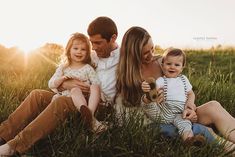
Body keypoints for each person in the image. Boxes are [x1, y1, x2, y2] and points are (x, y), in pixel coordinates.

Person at [0, 16, 119, 156]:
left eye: (98, 43)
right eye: (91, 43)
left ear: (113, 38)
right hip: (70, 95)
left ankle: (14, 146)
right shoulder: (89, 54)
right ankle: (3, 134)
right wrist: (65, 84)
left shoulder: (125, 61)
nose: (93, 47)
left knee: (61, 102)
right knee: (36, 94)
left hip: (97, 105)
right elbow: (61, 78)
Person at [115, 26, 235, 150]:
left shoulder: (162, 62)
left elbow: (183, 90)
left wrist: (190, 107)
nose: (151, 55)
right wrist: (150, 99)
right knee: (200, 130)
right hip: (159, 120)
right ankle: (228, 148)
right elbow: (132, 111)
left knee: (213, 106)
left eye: (152, 48)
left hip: (180, 113)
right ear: (133, 53)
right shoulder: (129, 75)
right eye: (145, 53)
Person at [141, 48, 205, 146]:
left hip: (180, 113)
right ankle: (147, 99)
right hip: (164, 110)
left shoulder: (184, 79)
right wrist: (149, 88)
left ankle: (190, 140)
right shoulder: (162, 80)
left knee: (185, 125)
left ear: (182, 67)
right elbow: (155, 87)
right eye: (168, 64)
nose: (172, 67)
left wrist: (190, 103)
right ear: (162, 66)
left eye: (177, 65)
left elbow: (191, 93)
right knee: (150, 107)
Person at [48, 32, 106, 132]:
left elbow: (96, 82)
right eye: (75, 48)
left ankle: (89, 114)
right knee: (75, 90)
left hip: (87, 99)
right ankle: (90, 119)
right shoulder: (63, 68)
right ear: (69, 50)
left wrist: (92, 89)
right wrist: (62, 79)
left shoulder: (88, 68)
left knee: (95, 86)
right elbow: (51, 84)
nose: (79, 52)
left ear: (87, 52)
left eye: (83, 49)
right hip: (68, 98)